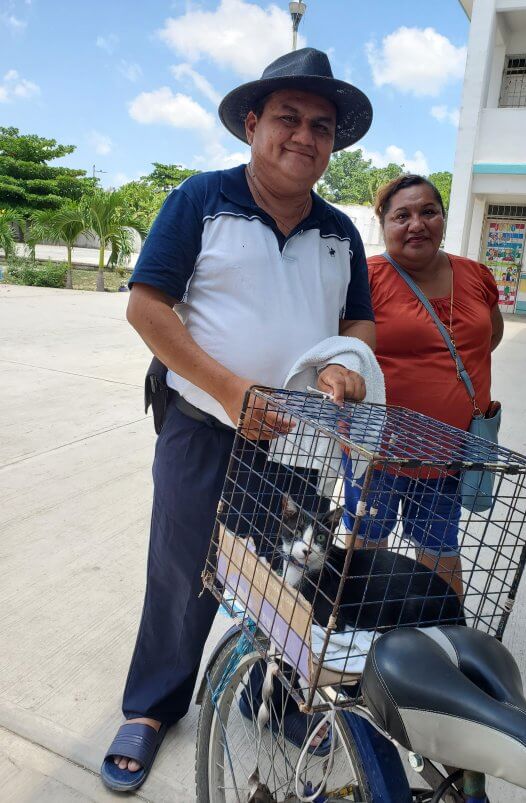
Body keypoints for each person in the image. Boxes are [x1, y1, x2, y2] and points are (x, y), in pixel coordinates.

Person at [100, 48, 378, 792]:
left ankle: (275, 694)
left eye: (321, 126)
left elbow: (356, 324)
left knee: (297, 575)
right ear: (252, 124)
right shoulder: (201, 199)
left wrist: (345, 366)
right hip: (202, 425)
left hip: (301, 442)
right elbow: (146, 306)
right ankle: (153, 706)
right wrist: (229, 390)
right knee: (185, 570)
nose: (305, 136)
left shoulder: (341, 232)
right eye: (287, 118)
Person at [343, 174, 504, 594]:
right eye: (402, 215)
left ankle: (443, 629)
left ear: (443, 218)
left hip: (450, 447)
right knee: (367, 538)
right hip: (377, 446)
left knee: (439, 543)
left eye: (428, 211)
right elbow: (343, 351)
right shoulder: (366, 276)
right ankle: (357, 626)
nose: (416, 223)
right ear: (385, 224)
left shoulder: (476, 276)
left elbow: (491, 336)